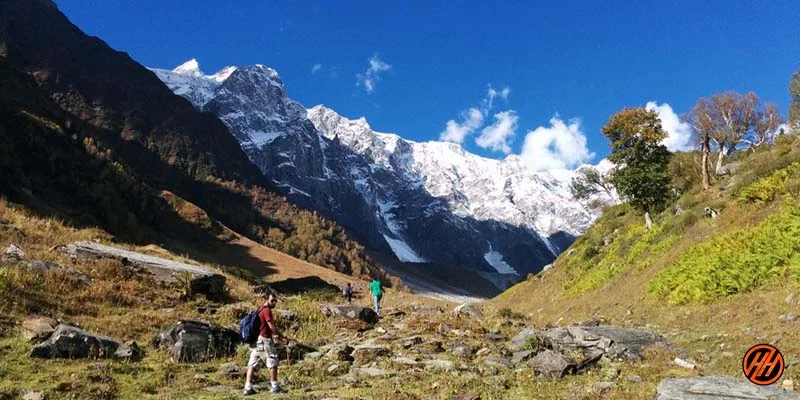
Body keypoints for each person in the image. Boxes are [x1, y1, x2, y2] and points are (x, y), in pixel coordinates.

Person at [244, 291, 287, 395]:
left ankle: (247, 387)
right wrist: (282, 337)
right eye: (272, 300)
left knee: (253, 364)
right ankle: (275, 387)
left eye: (275, 301)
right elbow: (271, 326)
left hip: (257, 341)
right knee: (273, 361)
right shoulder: (267, 311)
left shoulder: (259, 310)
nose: (274, 303)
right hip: (265, 340)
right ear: (266, 299)